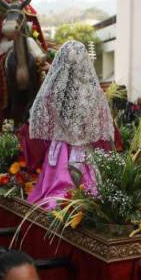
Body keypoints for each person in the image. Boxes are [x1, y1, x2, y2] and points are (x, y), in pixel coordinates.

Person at [26, 41, 116, 209]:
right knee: (89, 190)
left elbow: (44, 113)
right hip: (84, 152)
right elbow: (100, 124)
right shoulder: (94, 93)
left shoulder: (52, 92)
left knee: (56, 190)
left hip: (60, 152)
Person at [0, 0, 50, 131]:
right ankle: (6, 102)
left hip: (23, 41)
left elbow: (34, 28)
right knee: (3, 63)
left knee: (34, 54)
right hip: (5, 44)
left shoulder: (25, 6)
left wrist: (28, 29)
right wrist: (6, 28)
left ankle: (41, 89)